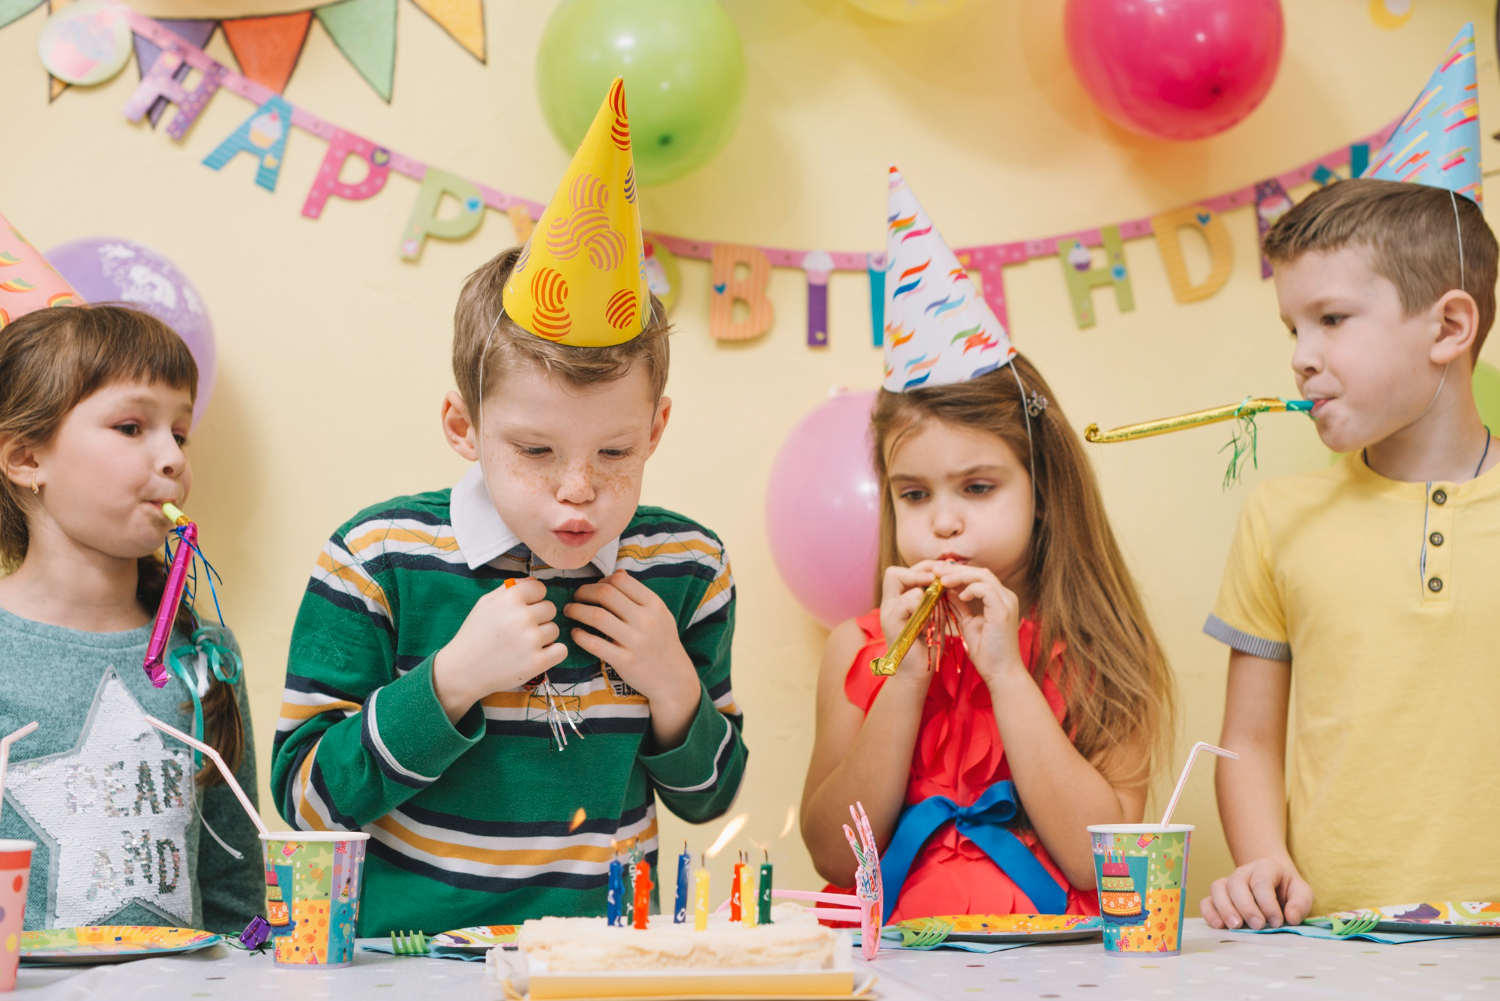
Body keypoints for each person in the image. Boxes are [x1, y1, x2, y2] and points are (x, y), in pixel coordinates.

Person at [271, 80, 746, 936]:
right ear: (464, 424)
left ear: (657, 427)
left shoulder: (688, 569)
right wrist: (450, 683)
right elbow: (308, 800)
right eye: (535, 451)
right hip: (409, 963)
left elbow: (711, 799)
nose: (578, 489)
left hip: (609, 967)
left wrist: (674, 684)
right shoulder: (377, 557)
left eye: (615, 452)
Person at [801, 167, 1175, 921]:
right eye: (915, 494)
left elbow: (1111, 869)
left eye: (977, 488)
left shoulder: (1099, 647)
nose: (943, 522)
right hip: (898, 970)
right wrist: (903, 677)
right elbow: (834, 855)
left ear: (1042, 490)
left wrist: (1007, 674)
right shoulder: (857, 650)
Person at [1202, 25, 1500, 929]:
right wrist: (1262, 863)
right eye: (1292, 328)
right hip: (1335, 946)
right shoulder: (1276, 516)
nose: (1301, 358)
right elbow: (1248, 739)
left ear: (1449, 328)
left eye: (1331, 319)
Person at [0, 293, 260, 934]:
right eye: (131, 428)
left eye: (179, 433)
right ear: (27, 458)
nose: (172, 457)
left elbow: (236, 883)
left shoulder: (206, 652)